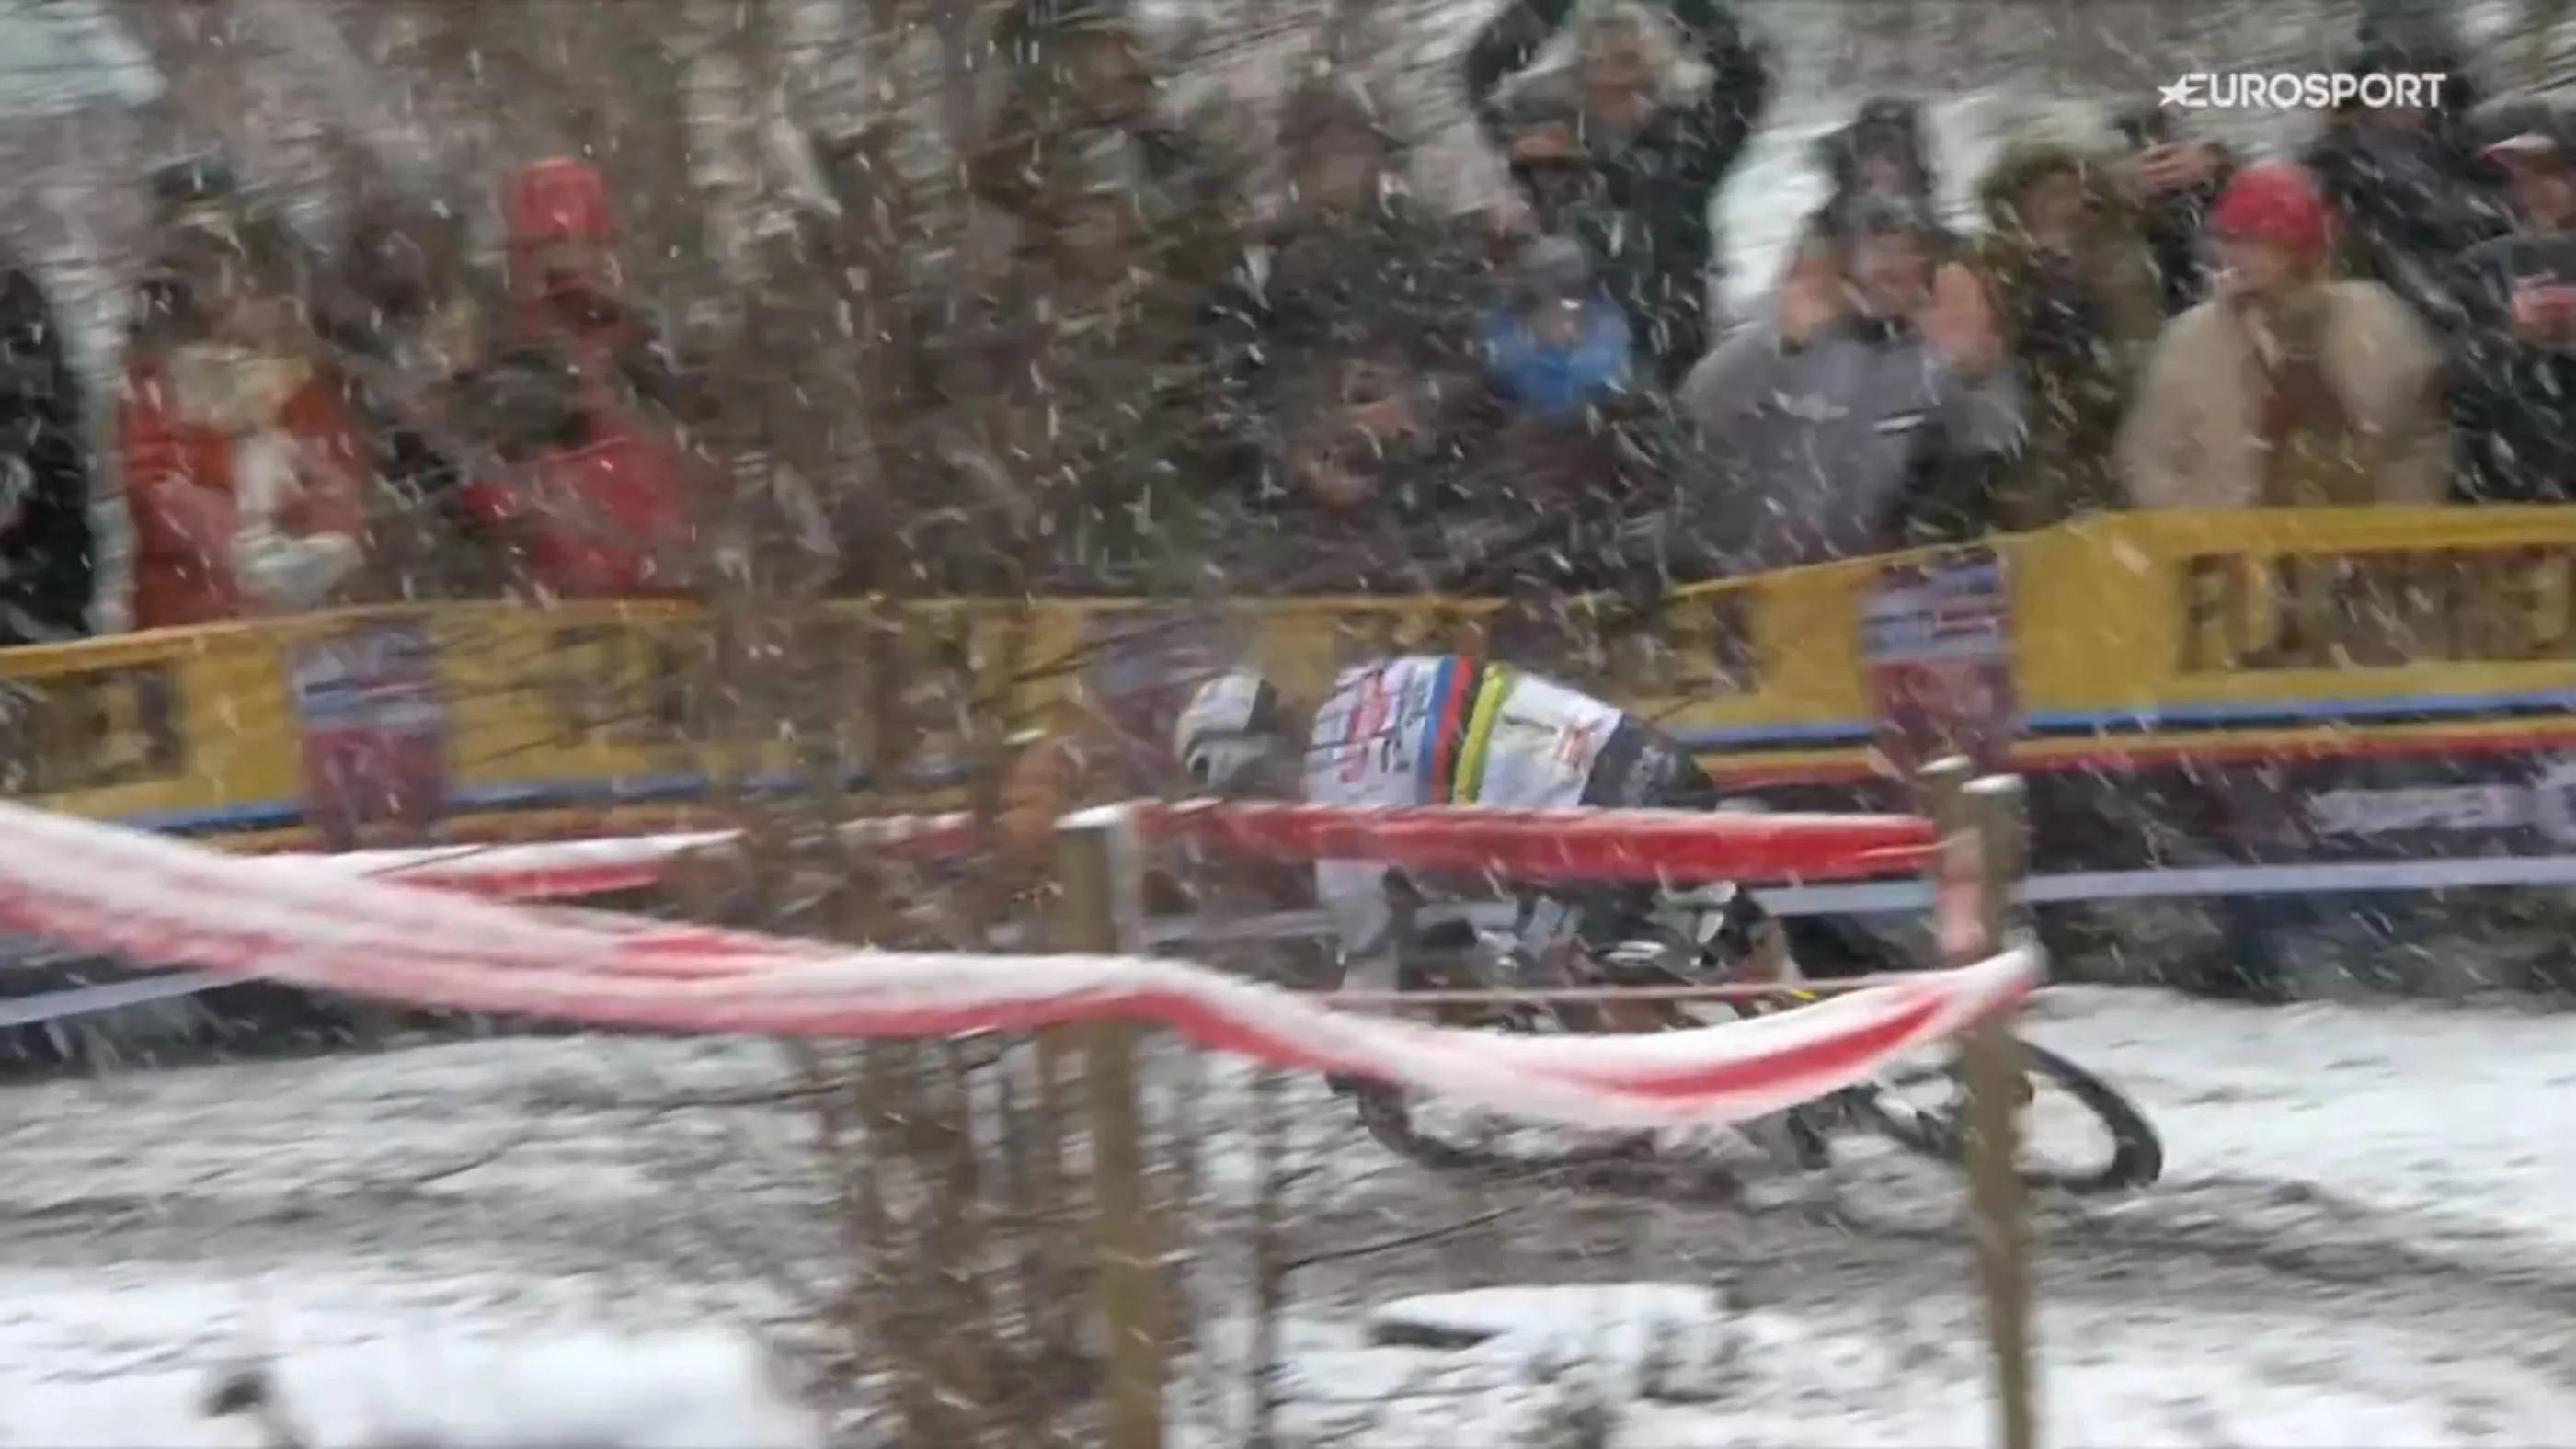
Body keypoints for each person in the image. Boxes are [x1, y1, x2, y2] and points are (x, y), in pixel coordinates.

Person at [1170, 656, 1877, 1025]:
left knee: (1567, 978)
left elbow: (1371, 956)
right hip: (1639, 752)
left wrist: (1355, 1047)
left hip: (1587, 830)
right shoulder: (1375, 676)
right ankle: (1809, 1019)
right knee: (1715, 920)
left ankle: (1674, 1126)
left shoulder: (1336, 798)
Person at [1681, 193, 2021, 568]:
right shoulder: (1779, 318)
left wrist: (1977, 375)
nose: (1895, 267)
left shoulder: (1937, 339)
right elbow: (1702, 405)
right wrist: (1778, 345)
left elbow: (1995, 446)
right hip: (1758, 572)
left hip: (1888, 577)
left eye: (1910, 253)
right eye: (1878, 251)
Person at [1464, 0, 1771, 386]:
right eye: (1598, 66)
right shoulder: (1543, 146)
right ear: (1579, 78)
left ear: (1651, 80)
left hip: (1668, 357)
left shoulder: (1687, 147)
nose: (1615, 86)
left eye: (1627, 65)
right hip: (1565, 367)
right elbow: (1480, 76)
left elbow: (1745, 76)